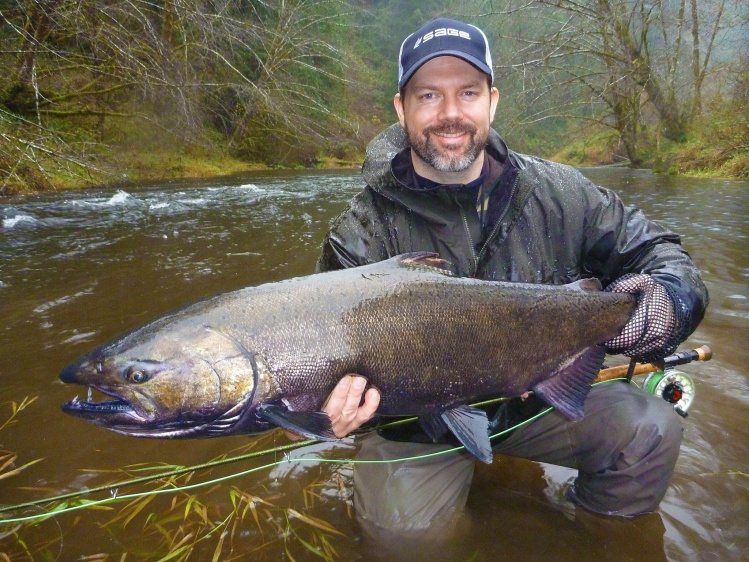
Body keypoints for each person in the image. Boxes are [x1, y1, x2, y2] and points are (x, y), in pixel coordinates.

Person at [307, 17, 709, 530]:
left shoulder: (565, 194)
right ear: (400, 108)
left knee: (650, 431)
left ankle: (585, 534)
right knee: (402, 539)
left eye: (468, 93)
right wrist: (321, 418)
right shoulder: (357, 234)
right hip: (417, 428)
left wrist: (668, 301)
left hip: (538, 403)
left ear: (492, 102)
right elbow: (324, 360)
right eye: (429, 96)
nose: (450, 114)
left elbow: (663, 255)